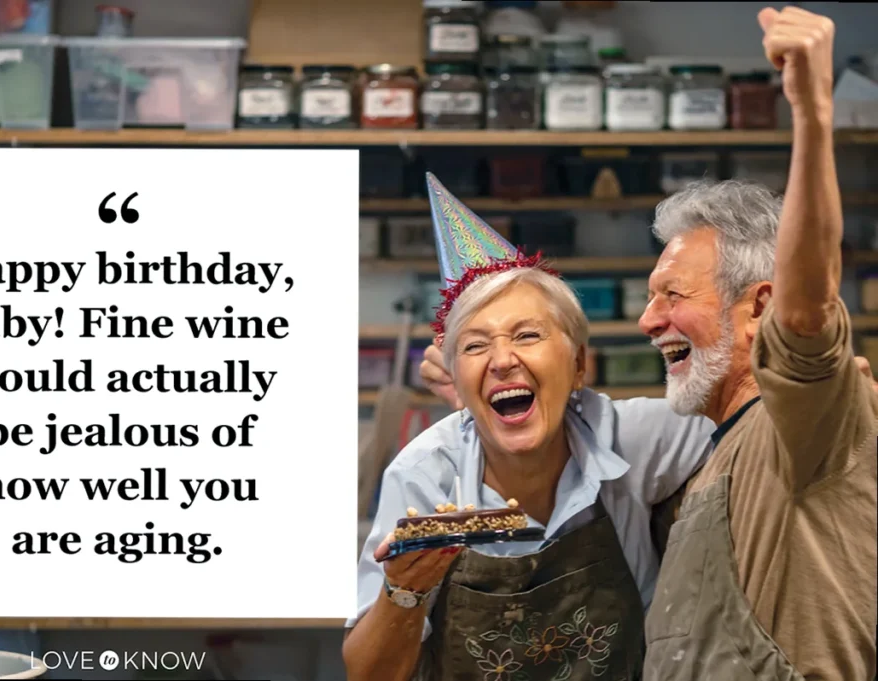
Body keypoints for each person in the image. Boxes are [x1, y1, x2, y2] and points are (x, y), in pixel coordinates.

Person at [417, 7, 877, 680]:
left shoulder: (799, 424)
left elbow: (808, 307)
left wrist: (812, 113)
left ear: (761, 308)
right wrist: (489, 387)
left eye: (672, 295)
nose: (647, 320)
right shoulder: (706, 448)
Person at [343, 172, 719, 681]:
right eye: (475, 346)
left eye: (527, 335)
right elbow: (367, 674)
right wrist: (404, 592)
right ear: (456, 382)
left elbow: (756, 417)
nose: (502, 360)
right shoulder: (425, 475)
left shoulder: (632, 438)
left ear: (579, 365)